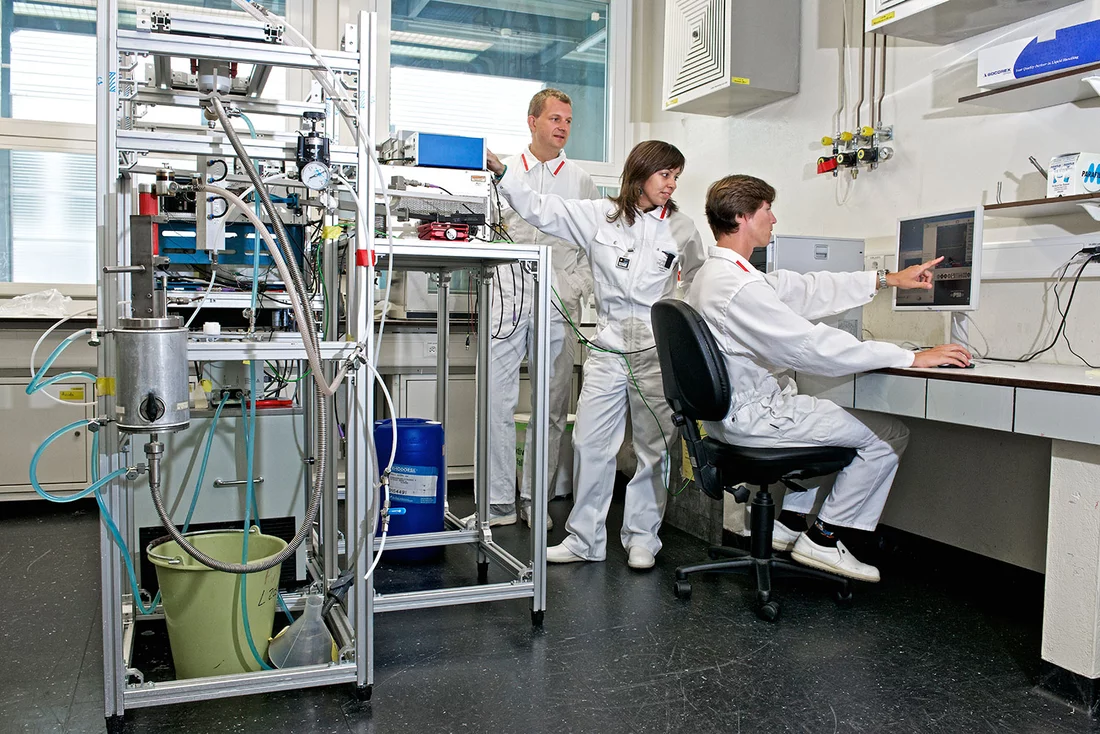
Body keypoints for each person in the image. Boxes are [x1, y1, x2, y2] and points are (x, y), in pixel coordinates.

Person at [687, 174, 971, 583]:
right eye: (767, 209)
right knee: (888, 434)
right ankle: (823, 537)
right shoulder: (738, 288)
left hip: (729, 419)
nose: (774, 217)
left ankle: (788, 524)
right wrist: (911, 357)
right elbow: (813, 347)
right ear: (742, 216)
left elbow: (802, 289)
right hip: (755, 420)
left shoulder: (722, 276)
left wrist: (886, 279)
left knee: (830, 418)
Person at [486, 140, 707, 570]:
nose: (671, 183)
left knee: (653, 448)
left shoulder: (682, 227)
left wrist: (685, 323)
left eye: (676, 176)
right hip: (607, 350)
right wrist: (501, 174)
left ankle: (643, 537)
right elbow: (540, 207)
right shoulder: (598, 216)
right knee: (589, 442)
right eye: (665, 174)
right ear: (640, 173)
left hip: (653, 351)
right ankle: (585, 537)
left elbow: (699, 274)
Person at [481, 89, 601, 530]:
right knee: (496, 401)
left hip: (558, 298)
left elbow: (595, 246)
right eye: (554, 118)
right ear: (532, 121)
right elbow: (489, 234)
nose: (563, 127)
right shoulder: (501, 173)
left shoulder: (582, 181)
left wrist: (576, 286)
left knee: (550, 406)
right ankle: (498, 503)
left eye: (568, 120)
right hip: (507, 296)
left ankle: (535, 498)